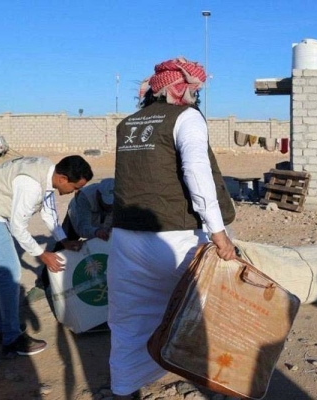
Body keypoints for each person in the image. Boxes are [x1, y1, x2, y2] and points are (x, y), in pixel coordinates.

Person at [108, 57, 237, 398]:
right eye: (193, 90)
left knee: (129, 320)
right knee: (206, 312)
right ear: (177, 89)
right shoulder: (187, 118)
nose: (196, 97)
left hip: (125, 240)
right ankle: (218, 381)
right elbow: (198, 174)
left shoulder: (128, 123)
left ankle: (124, 388)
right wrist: (219, 234)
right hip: (175, 237)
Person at [0, 155, 93, 357]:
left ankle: (4, 329)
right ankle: (11, 340)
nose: (76, 192)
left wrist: (63, 240)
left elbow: (48, 211)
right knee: (11, 271)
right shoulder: (31, 185)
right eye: (75, 187)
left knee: (5, 271)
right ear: (63, 179)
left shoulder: (48, 173)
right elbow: (18, 227)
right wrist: (42, 254)